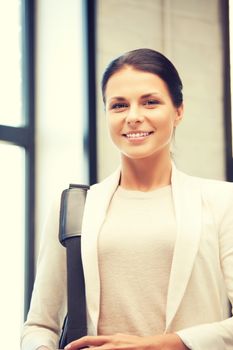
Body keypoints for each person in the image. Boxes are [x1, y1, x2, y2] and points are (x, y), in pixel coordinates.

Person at [21, 48, 233, 350]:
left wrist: (162, 345)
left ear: (178, 111)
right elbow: (40, 325)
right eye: (119, 105)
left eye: (150, 102)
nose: (133, 117)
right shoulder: (74, 208)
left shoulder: (223, 201)